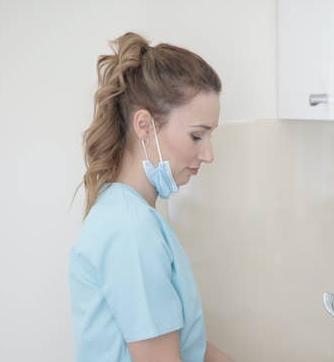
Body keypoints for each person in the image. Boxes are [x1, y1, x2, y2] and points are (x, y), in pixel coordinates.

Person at [69, 31, 233, 362]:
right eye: (197, 136)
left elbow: (190, 347)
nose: (208, 154)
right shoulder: (131, 229)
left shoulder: (127, 212)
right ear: (144, 125)